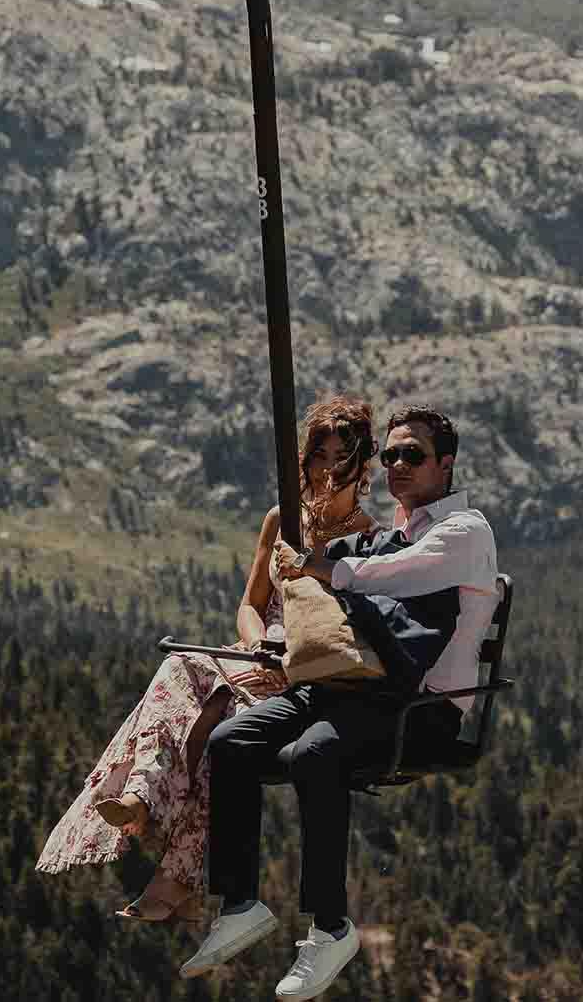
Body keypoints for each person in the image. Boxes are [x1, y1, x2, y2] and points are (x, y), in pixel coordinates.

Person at [180, 405, 500, 1000]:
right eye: (392, 455)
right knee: (233, 741)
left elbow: (397, 576)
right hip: (353, 690)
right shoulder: (388, 533)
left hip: (419, 711)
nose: (398, 465)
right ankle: (241, 900)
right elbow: (354, 560)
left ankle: (330, 926)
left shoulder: (464, 532)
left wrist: (323, 567)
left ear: (446, 464)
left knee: (313, 756)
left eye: (414, 455)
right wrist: (299, 549)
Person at [35, 395, 379, 922]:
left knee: (223, 716)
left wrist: (288, 658)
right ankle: (148, 811)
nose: (328, 468)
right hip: (260, 654)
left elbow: (351, 629)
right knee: (185, 668)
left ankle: (159, 835)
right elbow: (251, 603)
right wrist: (257, 643)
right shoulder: (283, 519)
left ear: (362, 465)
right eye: (319, 455)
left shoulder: (369, 538)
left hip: (310, 668)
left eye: (341, 456)